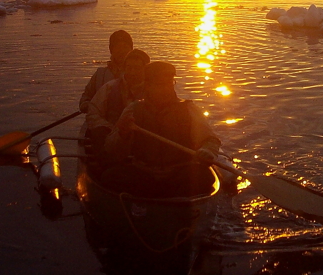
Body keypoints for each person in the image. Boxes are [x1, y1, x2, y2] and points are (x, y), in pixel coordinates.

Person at [102, 61, 221, 198]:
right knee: (110, 176)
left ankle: (167, 203)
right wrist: (122, 134)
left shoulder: (188, 109)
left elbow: (211, 140)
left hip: (179, 172)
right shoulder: (133, 110)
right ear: (147, 85)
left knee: (204, 177)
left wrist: (207, 151)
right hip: (143, 173)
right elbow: (112, 150)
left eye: (169, 83)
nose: (166, 89)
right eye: (159, 85)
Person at [85, 48, 150, 160]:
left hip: (143, 140)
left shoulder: (153, 92)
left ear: (146, 70)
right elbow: (93, 114)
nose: (132, 72)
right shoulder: (109, 88)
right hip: (111, 138)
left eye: (137, 68)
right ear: (124, 68)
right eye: (129, 68)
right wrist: (113, 130)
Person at [79, 30, 133, 113]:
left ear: (131, 50)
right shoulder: (100, 74)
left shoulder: (138, 73)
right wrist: (87, 105)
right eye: (118, 47)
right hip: (100, 120)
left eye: (125, 47)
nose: (121, 51)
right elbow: (86, 97)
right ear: (111, 50)